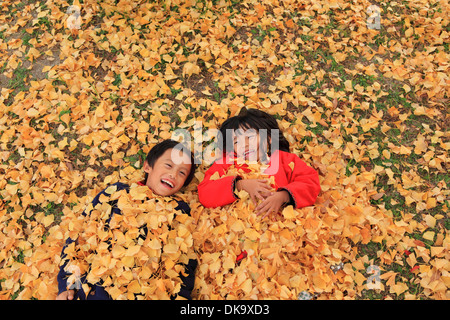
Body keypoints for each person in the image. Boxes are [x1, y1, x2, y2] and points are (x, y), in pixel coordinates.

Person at [56, 139, 198, 300]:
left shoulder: (179, 212)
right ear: (147, 166)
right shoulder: (116, 192)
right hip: (93, 291)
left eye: (182, 173)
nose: (173, 174)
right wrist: (68, 284)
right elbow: (80, 238)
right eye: (168, 165)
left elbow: (184, 265)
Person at [198, 108, 321, 218]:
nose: (244, 145)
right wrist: (240, 185)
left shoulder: (285, 159)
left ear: (269, 138)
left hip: (278, 230)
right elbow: (204, 193)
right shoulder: (226, 163)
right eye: (236, 142)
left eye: (250, 137)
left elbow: (310, 181)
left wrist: (284, 196)